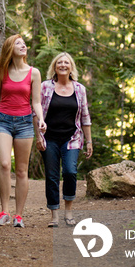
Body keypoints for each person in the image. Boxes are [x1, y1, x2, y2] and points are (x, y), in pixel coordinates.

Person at [0, 34, 46, 228]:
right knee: (4, 164)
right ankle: (4, 211)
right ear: (10, 49)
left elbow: (36, 101)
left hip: (24, 123)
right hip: (2, 120)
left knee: (21, 171)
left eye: (24, 43)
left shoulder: (34, 73)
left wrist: (41, 120)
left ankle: (18, 215)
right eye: (18, 43)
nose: (23, 46)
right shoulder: (0, 71)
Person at [34, 52, 92, 227]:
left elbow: (85, 117)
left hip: (72, 138)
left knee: (69, 172)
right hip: (49, 138)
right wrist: (38, 136)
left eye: (66, 62)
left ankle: (68, 211)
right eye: (59, 62)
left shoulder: (80, 89)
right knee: (52, 176)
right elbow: (35, 114)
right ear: (54, 66)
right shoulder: (45, 87)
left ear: (71, 67)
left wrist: (89, 141)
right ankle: (54, 215)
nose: (63, 64)